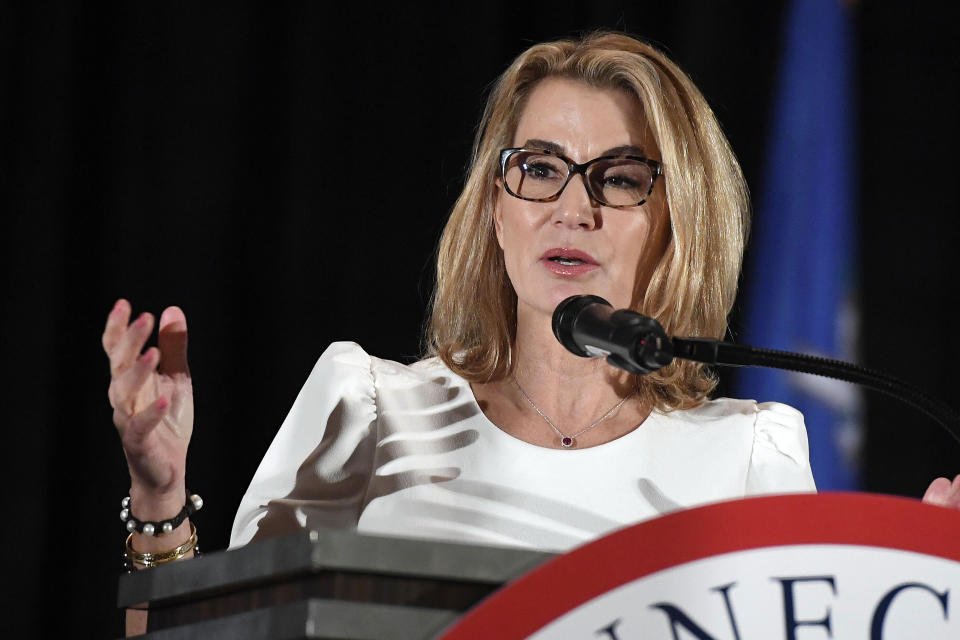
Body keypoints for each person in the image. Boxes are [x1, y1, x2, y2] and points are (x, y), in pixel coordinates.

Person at [104, 32, 960, 569]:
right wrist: (160, 493)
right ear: (496, 212)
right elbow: (212, 635)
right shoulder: (371, 408)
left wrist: (916, 590)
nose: (572, 206)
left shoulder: (747, 457)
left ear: (675, 227)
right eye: (540, 168)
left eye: (620, 179)